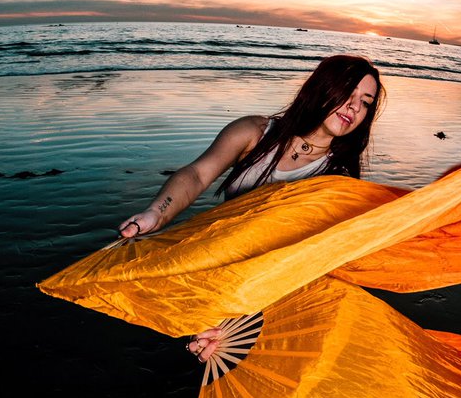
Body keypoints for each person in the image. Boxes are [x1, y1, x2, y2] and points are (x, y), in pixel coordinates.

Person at [116, 53, 384, 363]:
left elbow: (311, 260)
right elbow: (197, 174)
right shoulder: (256, 133)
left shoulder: (339, 179)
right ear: (323, 87)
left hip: (268, 288)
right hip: (216, 263)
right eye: (349, 94)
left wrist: (243, 316)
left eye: (365, 102)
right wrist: (156, 213)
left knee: (220, 360)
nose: (354, 107)